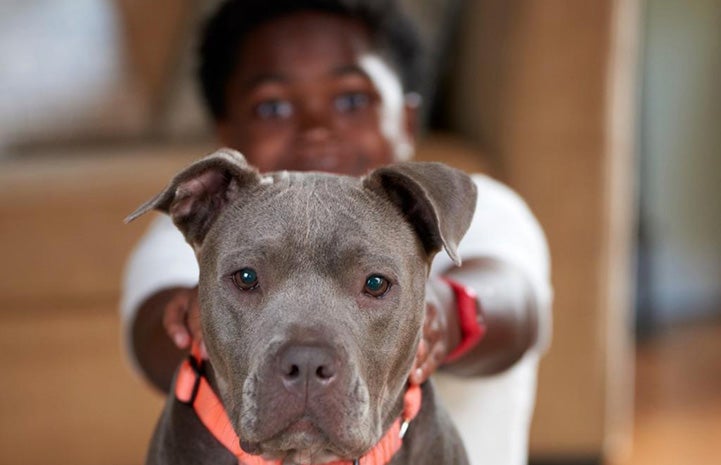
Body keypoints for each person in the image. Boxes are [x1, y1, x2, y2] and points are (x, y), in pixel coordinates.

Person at [121, 1, 552, 464]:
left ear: (408, 121)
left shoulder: (449, 206)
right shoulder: (217, 213)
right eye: (273, 107)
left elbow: (519, 309)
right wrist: (186, 316)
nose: (316, 128)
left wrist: (445, 312)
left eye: (350, 100)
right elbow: (150, 336)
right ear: (225, 132)